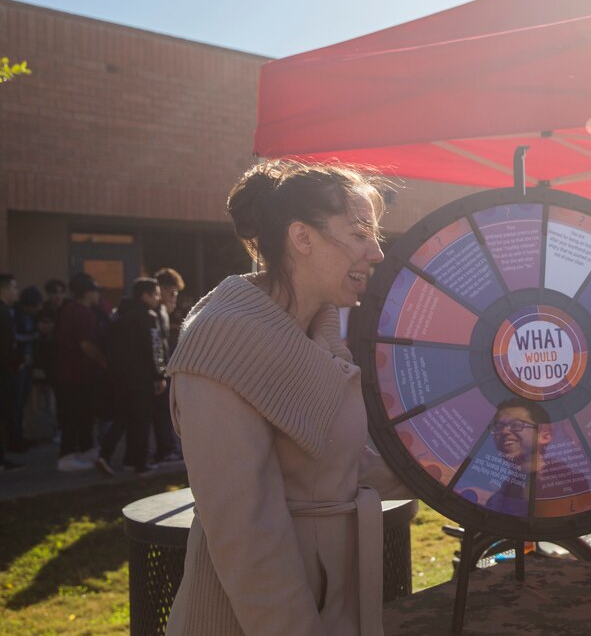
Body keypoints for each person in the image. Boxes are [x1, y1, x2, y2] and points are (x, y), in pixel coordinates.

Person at [165, 159, 410, 636]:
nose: (377, 253)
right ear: (302, 238)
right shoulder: (221, 342)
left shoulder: (316, 334)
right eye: (360, 234)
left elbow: (339, 468)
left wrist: (452, 470)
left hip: (335, 605)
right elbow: (246, 536)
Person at [97, 278, 167, 476]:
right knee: (141, 421)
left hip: (119, 377)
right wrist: (159, 375)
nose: (158, 298)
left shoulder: (120, 315)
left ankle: (106, 454)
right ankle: (139, 463)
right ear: (144, 295)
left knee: (123, 418)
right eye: (155, 294)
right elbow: (154, 347)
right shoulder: (148, 316)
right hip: (142, 377)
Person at [486, 398, 591, 517]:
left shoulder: (569, 485)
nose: (504, 431)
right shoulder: (498, 497)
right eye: (498, 427)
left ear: (545, 435)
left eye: (516, 425)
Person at [54, 272, 107, 472]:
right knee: (76, 415)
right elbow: (85, 344)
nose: (98, 296)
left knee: (80, 414)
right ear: (88, 293)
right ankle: (67, 456)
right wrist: (104, 361)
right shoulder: (83, 313)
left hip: (67, 373)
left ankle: (85, 449)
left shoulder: (67, 310)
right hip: (78, 375)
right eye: (95, 292)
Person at [0, 273, 25, 472]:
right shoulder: (0, 313)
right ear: (4, 289)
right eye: (14, 287)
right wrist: (19, 360)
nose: (17, 292)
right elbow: (4, 346)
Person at [150, 267, 184, 464]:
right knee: (164, 409)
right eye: (172, 294)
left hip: (156, 370)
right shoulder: (157, 312)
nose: (174, 299)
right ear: (160, 289)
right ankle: (167, 450)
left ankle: (165, 448)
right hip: (158, 371)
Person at [10, 285, 44, 452]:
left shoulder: (24, 315)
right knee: (16, 403)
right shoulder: (17, 315)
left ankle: (18, 437)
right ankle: (14, 440)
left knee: (20, 403)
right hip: (18, 365)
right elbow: (14, 337)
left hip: (26, 364)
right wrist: (38, 333)